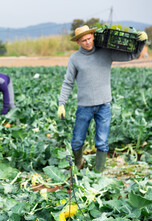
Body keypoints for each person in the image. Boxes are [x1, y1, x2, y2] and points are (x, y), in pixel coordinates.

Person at [57, 25, 147, 172]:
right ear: (78, 42)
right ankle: (79, 163)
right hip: (84, 106)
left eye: (88, 38)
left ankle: (98, 173)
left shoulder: (106, 52)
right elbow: (68, 82)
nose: (87, 42)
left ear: (93, 36)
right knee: (77, 140)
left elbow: (132, 55)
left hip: (104, 105)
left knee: (102, 142)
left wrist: (142, 42)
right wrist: (62, 103)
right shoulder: (75, 59)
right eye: (83, 40)